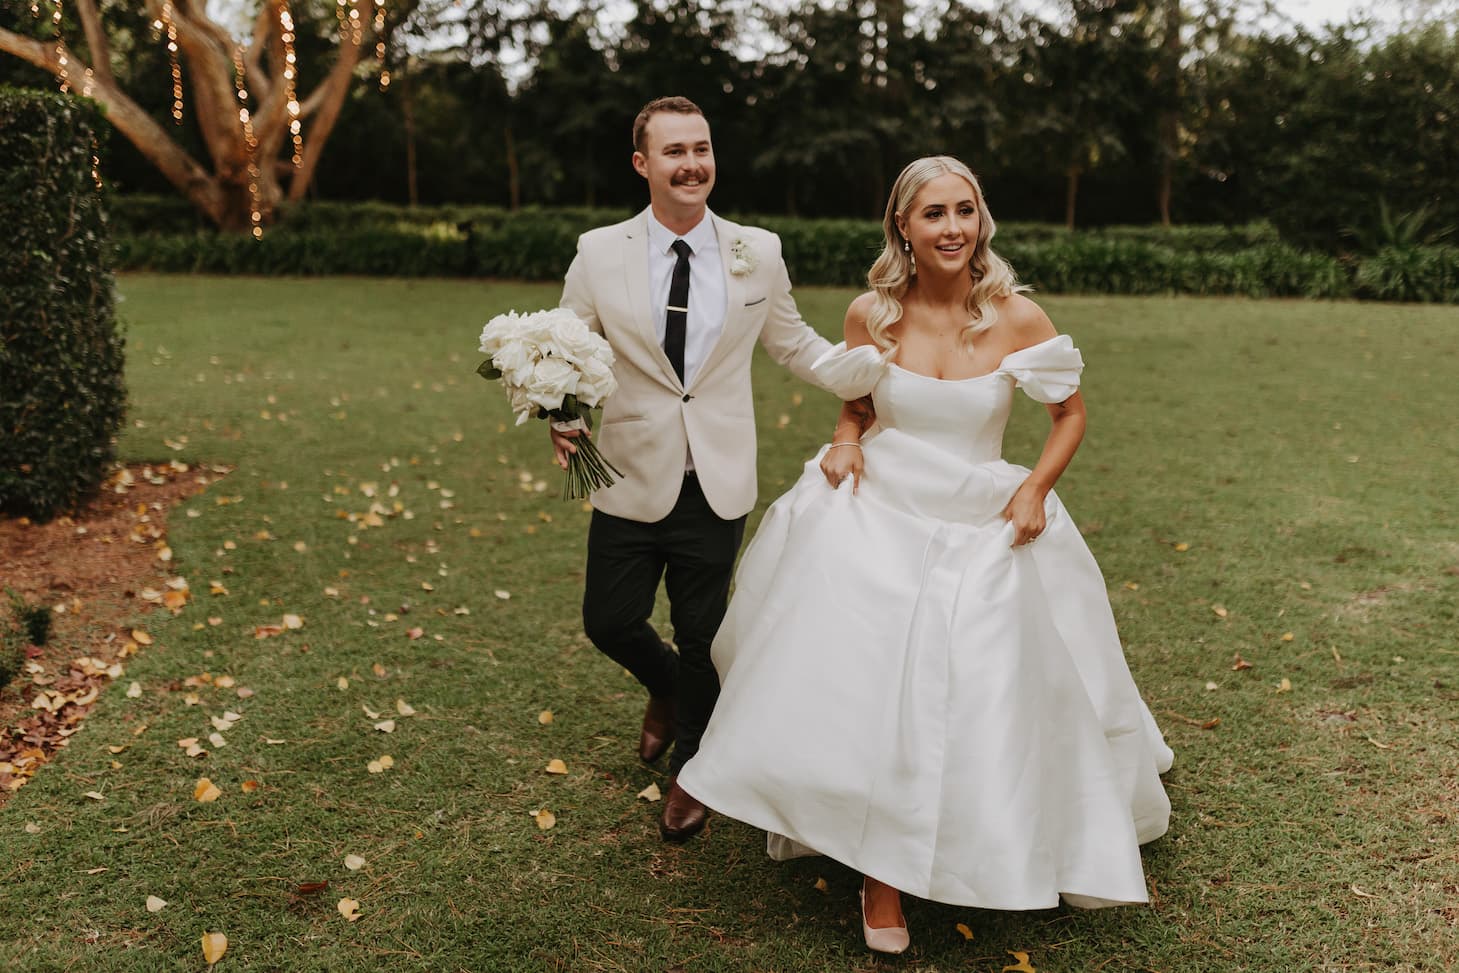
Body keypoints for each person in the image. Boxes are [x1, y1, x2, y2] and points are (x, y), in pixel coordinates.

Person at [676, 156, 1174, 953]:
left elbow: (1069, 416)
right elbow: (857, 401)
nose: (952, 228)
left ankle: (971, 828)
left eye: (965, 211)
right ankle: (880, 876)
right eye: (934, 213)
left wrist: (1034, 489)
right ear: (901, 225)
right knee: (872, 672)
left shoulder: (1017, 316)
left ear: (981, 220)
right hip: (882, 507)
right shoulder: (870, 314)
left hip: (984, 515)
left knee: (973, 671)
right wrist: (843, 441)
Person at [552, 96, 857, 843]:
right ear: (642, 164)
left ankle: (693, 764)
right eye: (673, 151)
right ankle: (664, 690)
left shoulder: (758, 249)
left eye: (701, 148)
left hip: (717, 476)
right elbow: (564, 343)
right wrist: (560, 410)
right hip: (627, 469)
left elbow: (792, 343)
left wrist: (870, 376)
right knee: (609, 619)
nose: (691, 164)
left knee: (703, 633)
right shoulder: (599, 251)